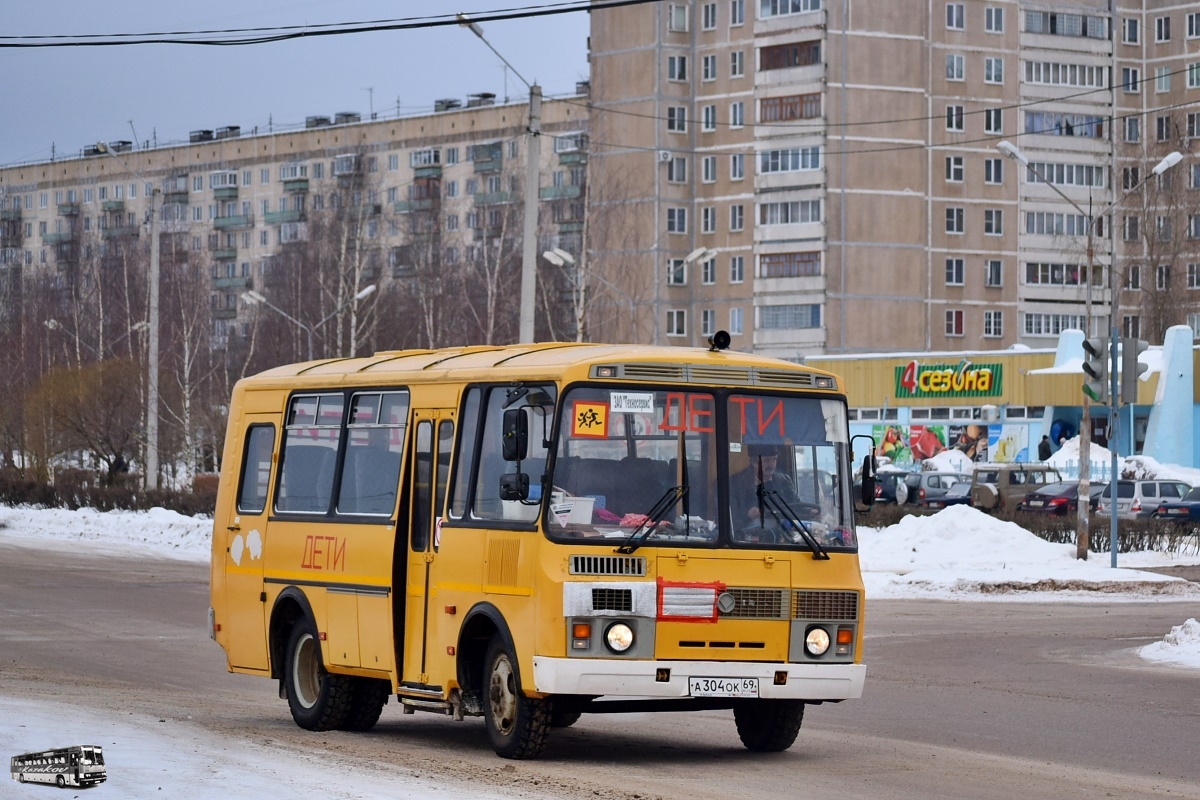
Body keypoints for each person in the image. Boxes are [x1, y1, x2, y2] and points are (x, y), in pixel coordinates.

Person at [734, 444, 799, 527]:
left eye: (774, 460)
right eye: (767, 460)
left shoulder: (783, 480)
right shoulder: (736, 483)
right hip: (747, 535)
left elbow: (796, 505)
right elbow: (729, 516)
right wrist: (748, 515)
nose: (772, 465)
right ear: (754, 462)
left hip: (782, 532)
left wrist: (809, 512)